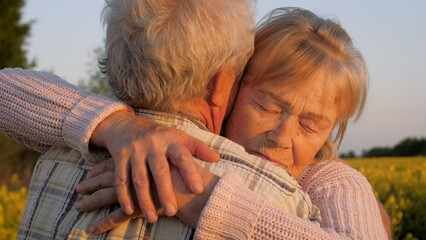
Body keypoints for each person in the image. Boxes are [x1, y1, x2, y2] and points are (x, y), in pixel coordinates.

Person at [0, 3, 390, 240]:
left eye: (311, 125)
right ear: (229, 85)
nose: (281, 135)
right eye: (269, 106)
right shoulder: (137, 130)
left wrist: (199, 196)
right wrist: (117, 125)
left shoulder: (324, 181)